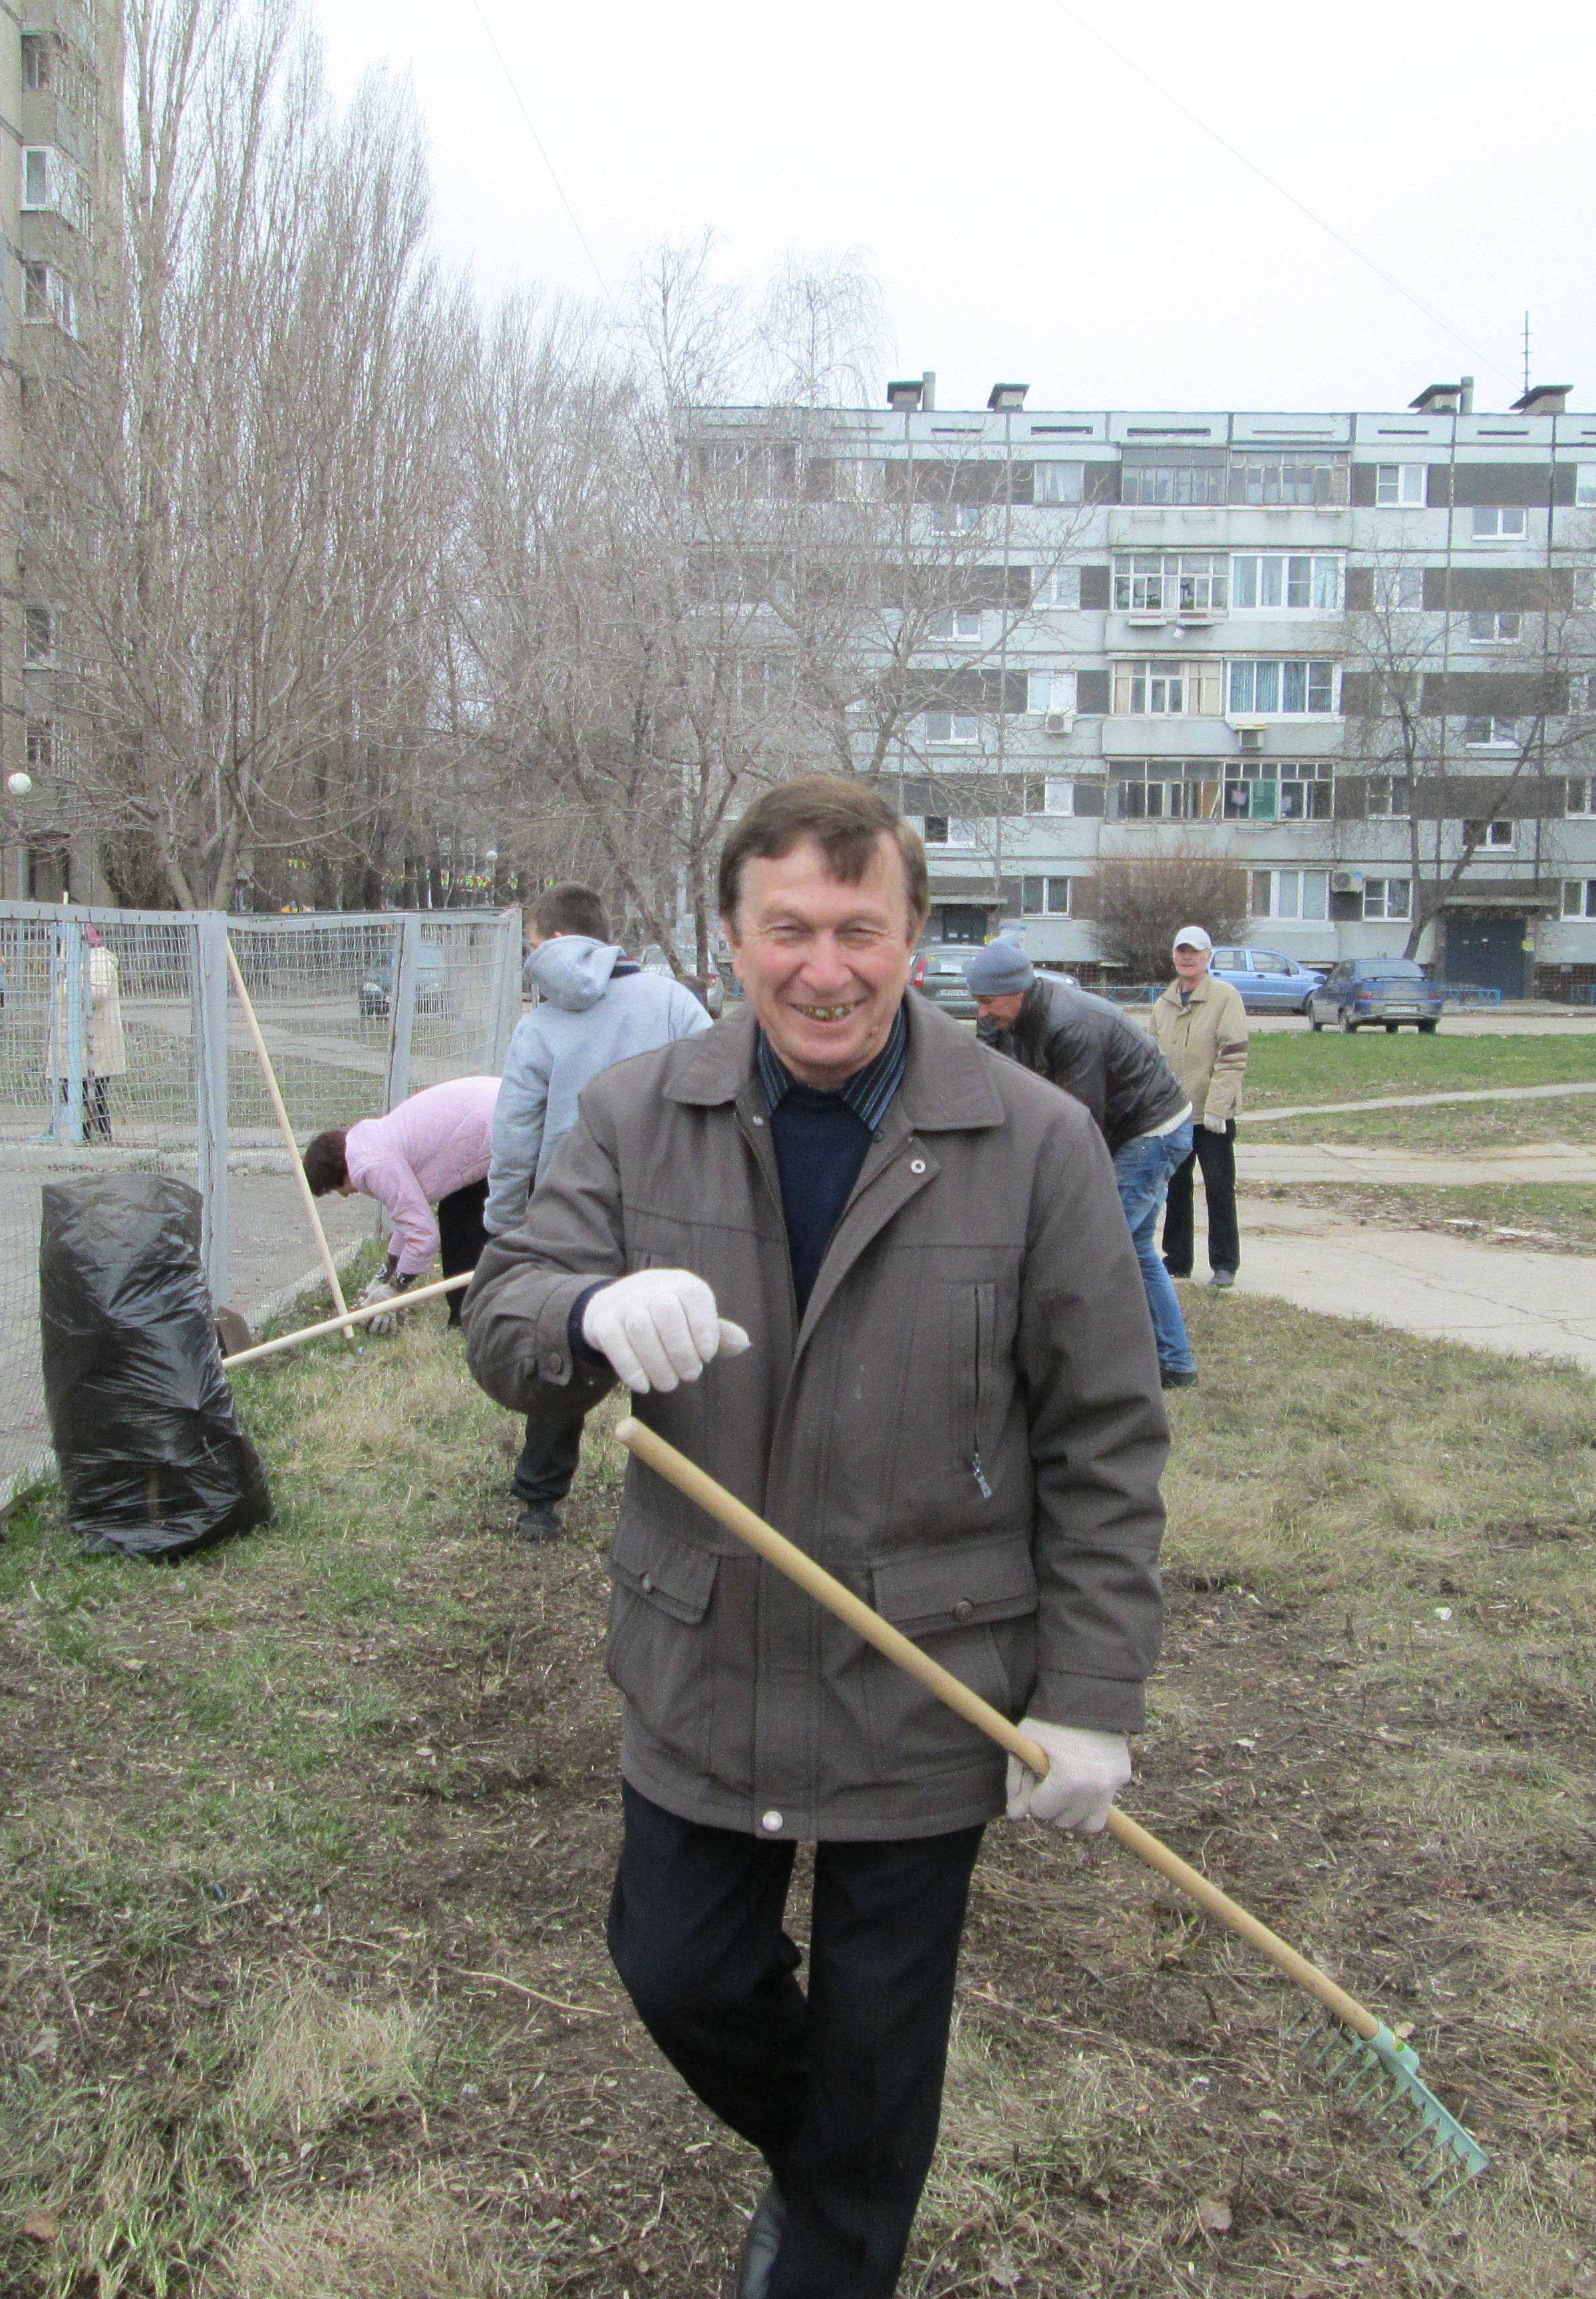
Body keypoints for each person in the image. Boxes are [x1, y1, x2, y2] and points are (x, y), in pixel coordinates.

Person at [464, 777, 1167, 2299]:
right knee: (681, 1969)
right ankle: (839, 2160)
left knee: (878, 2036)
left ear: (917, 939)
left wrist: (1093, 1694)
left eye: (862, 929)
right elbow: (501, 1318)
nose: (825, 966)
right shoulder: (640, 1117)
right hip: (705, 1653)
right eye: (790, 928)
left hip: (926, 1678)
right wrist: (581, 1313)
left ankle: (833, 2239)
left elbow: (1103, 1432)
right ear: (730, 937)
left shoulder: (1033, 1140)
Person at [486, 883, 712, 1544]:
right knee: (673, 1338)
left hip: (572, 1210)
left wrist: (504, 1223)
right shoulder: (671, 1000)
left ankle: (539, 1500)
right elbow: (723, 1088)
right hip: (671, 1201)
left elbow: (514, 1135)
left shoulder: (538, 1025)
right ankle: (690, 1495)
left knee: (564, 1343)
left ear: (551, 943)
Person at [964, 941, 1197, 1388]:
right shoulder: (1009, 1020)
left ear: (1017, 991)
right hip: (1133, 1127)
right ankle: (1176, 1362)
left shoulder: (1068, 1025)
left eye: (987, 1001)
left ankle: (1103, 1367)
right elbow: (990, 1081)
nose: (981, 1012)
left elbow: (1078, 1124)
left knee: (1099, 1250)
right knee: (1137, 1250)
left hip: (1151, 1131)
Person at [302, 1071, 500, 1332]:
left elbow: (423, 1237)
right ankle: (466, 1318)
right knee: (459, 1220)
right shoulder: (369, 1144)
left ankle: (472, 1319)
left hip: (498, 1125)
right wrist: (383, 1276)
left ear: (340, 1172)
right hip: (492, 1115)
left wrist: (394, 1292)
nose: (344, 1195)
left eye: (335, 1189)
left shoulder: (372, 1166)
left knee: (466, 1226)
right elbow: (410, 1220)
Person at [1152, 927, 1249, 1290]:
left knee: (1219, 1189)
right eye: (1181, 951)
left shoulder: (1225, 997)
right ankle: (1177, 1260)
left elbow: (1233, 1056)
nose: (1187, 958)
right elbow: (1151, 1057)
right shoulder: (1164, 1003)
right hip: (1174, 1116)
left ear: (1208, 956)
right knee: (1176, 1189)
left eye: (1194, 952)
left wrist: (1218, 1108)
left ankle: (1225, 1263)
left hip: (1212, 1118)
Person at [48, 923, 128, 1144]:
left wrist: (72, 979)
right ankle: (84, 1136)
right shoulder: (73, 960)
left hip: (95, 1042)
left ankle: (101, 1137)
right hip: (74, 1040)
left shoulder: (98, 960)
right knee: (72, 1092)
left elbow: (96, 995)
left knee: (92, 1094)